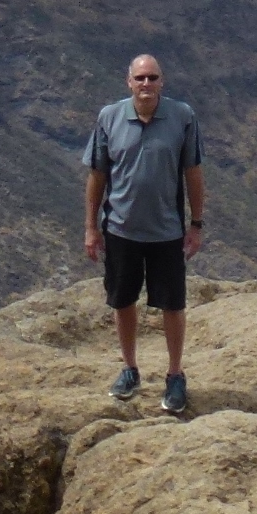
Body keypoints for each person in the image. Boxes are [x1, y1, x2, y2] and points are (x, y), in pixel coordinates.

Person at [82, 54, 205, 413]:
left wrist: (196, 224)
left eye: (152, 77)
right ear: (129, 82)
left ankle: (175, 375)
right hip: (121, 229)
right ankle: (129, 370)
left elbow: (194, 173)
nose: (146, 84)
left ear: (162, 82)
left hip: (167, 231)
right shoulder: (109, 117)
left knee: (173, 304)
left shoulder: (182, 117)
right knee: (122, 301)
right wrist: (91, 227)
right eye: (140, 78)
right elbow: (97, 176)